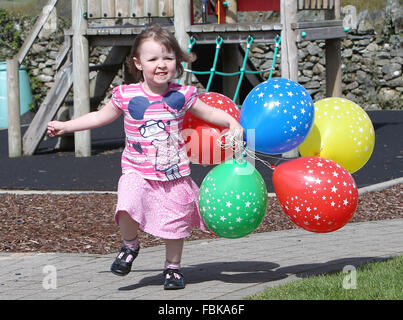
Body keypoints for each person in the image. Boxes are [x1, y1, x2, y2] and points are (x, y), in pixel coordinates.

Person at [47, 24, 244, 290]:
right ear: (138, 63)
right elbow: (98, 117)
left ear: (177, 60)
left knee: (175, 225)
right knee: (127, 203)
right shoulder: (126, 96)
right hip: (136, 171)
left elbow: (209, 114)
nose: (161, 64)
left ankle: (172, 269)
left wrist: (232, 123)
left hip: (173, 174)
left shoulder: (182, 95)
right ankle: (130, 246)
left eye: (168, 58)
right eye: (153, 59)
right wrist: (65, 126)